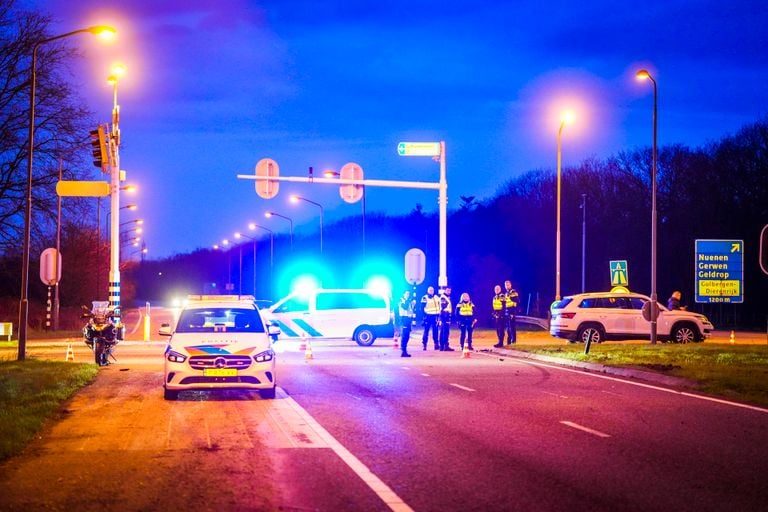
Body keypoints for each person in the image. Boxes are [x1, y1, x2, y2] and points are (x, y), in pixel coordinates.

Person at [421, 286, 441, 350]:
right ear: (427, 291)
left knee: (435, 331)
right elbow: (421, 308)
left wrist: (438, 315)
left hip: (435, 316)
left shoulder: (436, 297)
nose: (431, 291)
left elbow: (439, 306)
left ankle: (436, 344)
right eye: (430, 290)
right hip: (428, 316)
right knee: (426, 331)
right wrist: (424, 316)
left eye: (432, 290)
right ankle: (424, 345)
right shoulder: (425, 298)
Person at [398, 290, 416, 357]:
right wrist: (409, 301)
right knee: (404, 335)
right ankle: (403, 351)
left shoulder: (410, 301)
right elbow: (405, 307)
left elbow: (411, 309)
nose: (408, 295)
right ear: (403, 294)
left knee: (407, 336)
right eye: (406, 293)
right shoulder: (401, 300)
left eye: (409, 293)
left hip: (408, 319)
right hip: (403, 318)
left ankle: (404, 350)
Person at [438, 287, 454, 351]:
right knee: (445, 331)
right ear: (445, 290)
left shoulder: (447, 297)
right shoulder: (443, 297)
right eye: (447, 290)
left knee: (443, 331)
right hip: (444, 315)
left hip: (445, 315)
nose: (449, 291)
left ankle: (442, 346)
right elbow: (443, 306)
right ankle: (445, 346)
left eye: (450, 290)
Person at [504, 280, 519, 344]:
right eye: (506, 285)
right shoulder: (506, 293)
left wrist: (513, 312)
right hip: (507, 311)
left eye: (508, 285)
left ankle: (513, 340)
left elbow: (516, 301)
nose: (507, 286)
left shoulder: (513, 292)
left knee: (512, 326)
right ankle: (509, 340)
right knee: (508, 327)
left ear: (510, 285)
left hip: (511, 310)